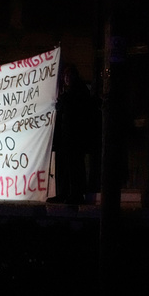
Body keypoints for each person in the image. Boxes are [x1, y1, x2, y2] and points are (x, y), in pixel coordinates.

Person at [50, 62, 94, 204]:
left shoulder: (79, 92)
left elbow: (79, 113)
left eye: (70, 75)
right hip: (64, 136)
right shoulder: (66, 94)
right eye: (65, 75)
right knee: (62, 166)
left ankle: (75, 194)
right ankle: (63, 193)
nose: (67, 78)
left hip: (74, 137)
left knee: (74, 166)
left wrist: (63, 102)